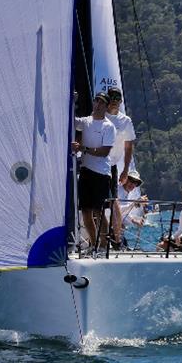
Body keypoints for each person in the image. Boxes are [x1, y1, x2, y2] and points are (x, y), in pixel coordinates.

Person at [71, 91, 116, 250]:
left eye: (102, 102)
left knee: (99, 211)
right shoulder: (86, 121)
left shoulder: (108, 126)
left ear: (106, 106)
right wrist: (71, 100)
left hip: (101, 174)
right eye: (96, 100)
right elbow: (72, 120)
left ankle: (104, 246)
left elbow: (104, 151)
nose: (98, 104)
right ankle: (93, 244)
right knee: (85, 211)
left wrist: (83, 148)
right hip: (86, 170)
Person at [105, 87, 137, 247]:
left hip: (111, 166)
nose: (115, 100)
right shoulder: (98, 116)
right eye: (112, 97)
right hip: (92, 164)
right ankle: (99, 239)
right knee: (94, 204)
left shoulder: (126, 121)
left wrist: (125, 170)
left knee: (114, 201)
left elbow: (129, 146)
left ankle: (117, 239)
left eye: (118, 98)